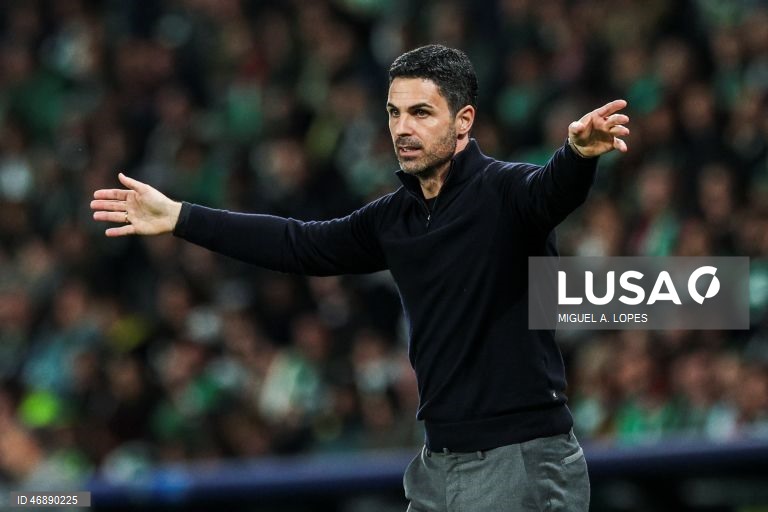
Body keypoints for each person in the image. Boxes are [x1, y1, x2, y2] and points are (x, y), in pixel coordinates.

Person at [91, 44, 629, 511]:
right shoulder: (394, 218)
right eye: (394, 113)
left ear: (463, 120)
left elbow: (554, 191)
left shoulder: (508, 192)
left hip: (520, 462)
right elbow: (298, 244)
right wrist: (182, 216)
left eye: (421, 113)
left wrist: (578, 155)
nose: (402, 129)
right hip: (437, 464)